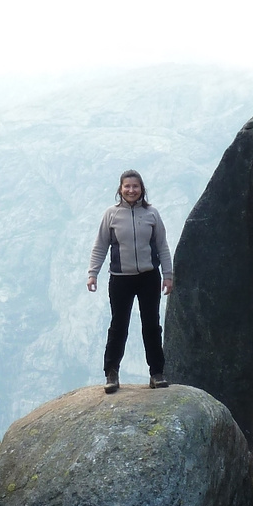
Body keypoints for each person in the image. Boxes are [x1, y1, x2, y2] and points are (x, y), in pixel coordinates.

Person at [87, 169, 172, 394]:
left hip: (148, 277)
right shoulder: (111, 215)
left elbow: (162, 245)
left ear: (141, 189)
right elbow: (101, 245)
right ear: (120, 189)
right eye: (127, 186)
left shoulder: (152, 214)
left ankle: (157, 373)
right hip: (120, 279)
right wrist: (92, 273)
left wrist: (168, 275)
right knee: (118, 326)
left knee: (151, 326)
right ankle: (111, 374)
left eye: (135, 186)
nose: (131, 190)